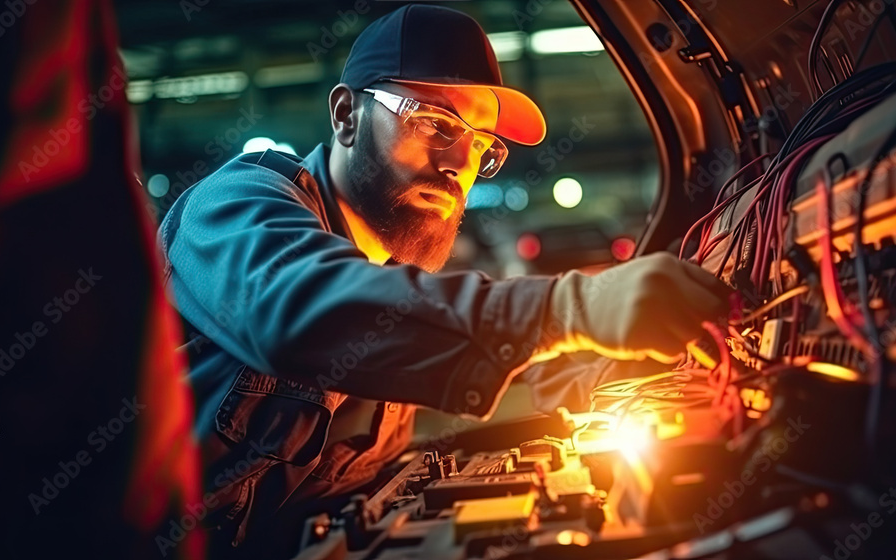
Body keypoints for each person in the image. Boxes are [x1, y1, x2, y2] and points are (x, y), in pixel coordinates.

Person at [158, 4, 730, 558]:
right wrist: (571, 309)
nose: (461, 164)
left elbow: (453, 339)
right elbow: (301, 308)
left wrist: (594, 371)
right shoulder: (237, 205)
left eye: (481, 144)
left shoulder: (393, 279)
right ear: (346, 116)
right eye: (435, 123)